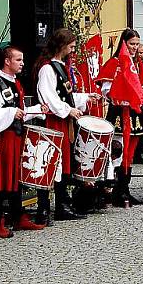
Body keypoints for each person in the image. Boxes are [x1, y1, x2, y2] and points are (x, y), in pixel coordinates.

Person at [0, 46, 47, 237]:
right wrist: (10, 112)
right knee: (1, 179)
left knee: (17, 177)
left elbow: (19, 113)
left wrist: (36, 109)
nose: (22, 63)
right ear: (7, 61)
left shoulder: (15, 84)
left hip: (16, 136)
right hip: (3, 138)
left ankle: (19, 217)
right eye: (18, 60)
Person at [37, 29, 97, 221]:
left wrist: (86, 97)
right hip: (53, 121)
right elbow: (49, 97)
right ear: (61, 45)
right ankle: (44, 208)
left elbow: (66, 96)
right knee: (51, 162)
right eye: (70, 45)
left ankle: (62, 204)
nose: (73, 49)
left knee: (62, 163)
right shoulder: (47, 69)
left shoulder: (60, 67)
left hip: (62, 121)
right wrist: (67, 109)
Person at [98, 29, 143, 207]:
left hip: (134, 113)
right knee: (117, 150)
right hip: (119, 112)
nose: (134, 48)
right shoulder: (115, 63)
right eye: (131, 44)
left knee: (131, 152)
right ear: (124, 44)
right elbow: (106, 89)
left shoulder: (137, 64)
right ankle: (112, 190)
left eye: (136, 44)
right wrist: (119, 97)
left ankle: (124, 189)